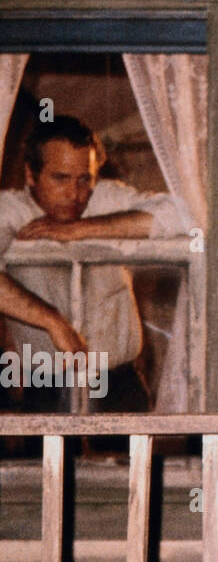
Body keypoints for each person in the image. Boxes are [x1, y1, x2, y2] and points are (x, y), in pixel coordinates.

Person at [0, 114, 185, 413]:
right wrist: (51, 320)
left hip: (119, 381)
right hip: (46, 384)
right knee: (50, 462)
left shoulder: (105, 199)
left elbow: (184, 214)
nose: (75, 194)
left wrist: (81, 229)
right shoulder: (10, 210)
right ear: (31, 175)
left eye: (84, 179)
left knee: (136, 461)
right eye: (60, 179)